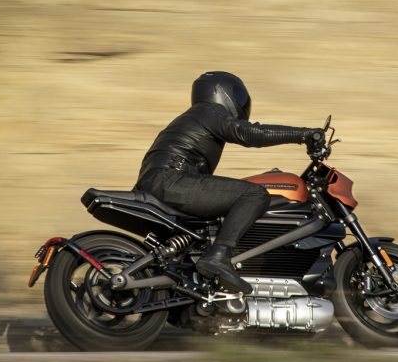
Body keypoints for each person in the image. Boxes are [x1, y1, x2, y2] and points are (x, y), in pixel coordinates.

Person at [134, 71, 325, 294]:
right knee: (254, 194)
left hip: (164, 181)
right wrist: (305, 135)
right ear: (221, 93)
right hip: (173, 180)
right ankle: (218, 256)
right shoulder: (209, 111)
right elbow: (249, 133)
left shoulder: (195, 116)